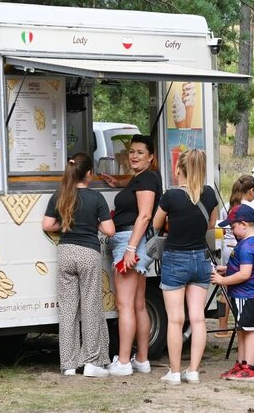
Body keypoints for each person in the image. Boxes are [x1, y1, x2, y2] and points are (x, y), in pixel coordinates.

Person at [42, 152, 115, 378]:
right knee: (91, 307)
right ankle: (92, 362)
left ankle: (69, 364)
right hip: (87, 254)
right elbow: (110, 230)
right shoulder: (96, 198)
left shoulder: (60, 195)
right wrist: (95, 224)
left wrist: (65, 224)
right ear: (89, 174)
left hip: (65, 252)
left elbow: (47, 224)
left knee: (68, 310)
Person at [152, 149, 218, 385]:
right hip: (201, 258)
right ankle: (193, 371)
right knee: (198, 318)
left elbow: (156, 224)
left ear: (178, 169)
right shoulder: (209, 194)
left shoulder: (170, 196)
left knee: (175, 319)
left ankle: (174, 372)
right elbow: (211, 224)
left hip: (175, 259)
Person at [101, 134, 162, 376]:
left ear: (151, 157)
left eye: (140, 152)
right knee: (138, 305)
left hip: (130, 241)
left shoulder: (146, 179)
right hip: (135, 242)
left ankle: (124, 362)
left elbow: (144, 215)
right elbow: (137, 194)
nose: (134, 156)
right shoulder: (143, 178)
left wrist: (130, 249)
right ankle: (142, 360)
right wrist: (119, 183)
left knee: (124, 305)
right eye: (132, 152)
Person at [211, 204, 254, 381]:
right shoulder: (247, 242)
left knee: (248, 331)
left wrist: (222, 280)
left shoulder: (247, 246)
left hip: (246, 295)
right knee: (241, 330)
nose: (231, 231)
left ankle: (249, 368)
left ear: (243, 224)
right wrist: (227, 269)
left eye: (233, 227)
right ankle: (241, 364)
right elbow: (242, 267)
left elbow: (245, 274)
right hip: (243, 294)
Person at [215, 175, 254, 338]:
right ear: (251, 191)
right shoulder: (251, 207)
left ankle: (222, 326)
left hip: (228, 249)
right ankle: (245, 321)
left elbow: (222, 230)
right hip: (242, 250)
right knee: (242, 285)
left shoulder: (227, 205)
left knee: (225, 287)